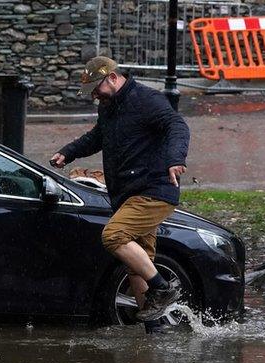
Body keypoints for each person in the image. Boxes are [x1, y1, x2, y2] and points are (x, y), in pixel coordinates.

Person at [51, 56, 190, 333]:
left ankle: (163, 287)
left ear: (112, 78)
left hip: (154, 190)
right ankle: (155, 327)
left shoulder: (146, 100)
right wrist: (68, 152)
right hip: (128, 194)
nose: (94, 96)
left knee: (114, 236)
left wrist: (176, 159)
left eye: (95, 89)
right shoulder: (109, 107)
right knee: (137, 264)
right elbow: (96, 137)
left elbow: (177, 126)